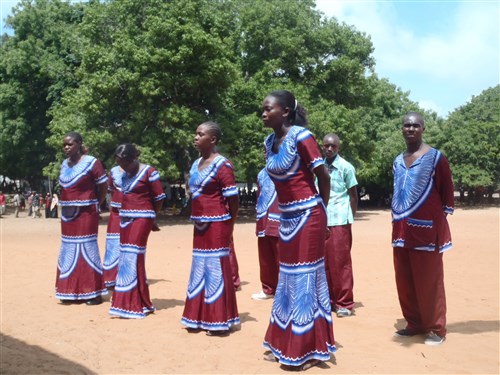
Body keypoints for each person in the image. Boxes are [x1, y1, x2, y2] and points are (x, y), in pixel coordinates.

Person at [261, 90, 335, 370]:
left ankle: (306, 349)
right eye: (263, 110)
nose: (264, 114)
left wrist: (323, 213)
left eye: (269, 109)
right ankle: (283, 339)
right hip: (287, 216)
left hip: (309, 215)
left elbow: (322, 176)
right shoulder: (269, 142)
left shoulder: (302, 137)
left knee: (305, 279)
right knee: (287, 279)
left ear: (286, 112)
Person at [391, 112, 454, 346]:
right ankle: (415, 323)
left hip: (427, 232)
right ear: (402, 129)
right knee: (405, 280)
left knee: (430, 281)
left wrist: (436, 222)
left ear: (423, 129)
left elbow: (447, 193)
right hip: (400, 231)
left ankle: (437, 328)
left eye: (415, 125)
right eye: (406, 125)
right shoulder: (398, 160)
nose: (410, 129)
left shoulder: (437, 158)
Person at [180, 121, 240, 336]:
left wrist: (229, 226)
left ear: (212, 139)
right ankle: (197, 316)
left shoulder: (223, 165)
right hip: (200, 224)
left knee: (215, 268)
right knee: (199, 267)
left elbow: (233, 200)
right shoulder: (196, 164)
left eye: (200, 134)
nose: (195, 137)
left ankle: (218, 319)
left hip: (217, 223)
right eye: (195, 134)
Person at [109, 144, 166, 319]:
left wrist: (152, 218)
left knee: (133, 256)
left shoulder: (149, 172)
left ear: (133, 158)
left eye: (124, 162)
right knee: (126, 256)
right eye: (119, 162)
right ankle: (136, 301)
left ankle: (133, 303)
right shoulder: (123, 174)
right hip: (125, 218)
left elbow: (159, 198)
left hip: (142, 217)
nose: (122, 166)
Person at [55, 131, 108, 305]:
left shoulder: (92, 162)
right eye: (64, 145)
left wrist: (96, 204)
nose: (66, 147)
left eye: (70, 144)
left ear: (79, 144)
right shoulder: (64, 164)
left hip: (86, 212)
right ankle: (69, 290)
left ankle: (93, 293)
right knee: (69, 249)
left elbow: (103, 186)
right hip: (68, 214)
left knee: (87, 248)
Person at [321, 133, 358, 318]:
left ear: (338, 148)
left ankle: (344, 303)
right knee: (324, 263)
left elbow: (353, 196)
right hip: (321, 221)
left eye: (333, 146)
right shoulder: (318, 167)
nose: (329, 149)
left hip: (340, 221)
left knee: (340, 263)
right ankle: (328, 301)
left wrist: (349, 218)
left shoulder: (346, 168)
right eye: (326, 146)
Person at [251, 168, 280, 300]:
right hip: (263, 219)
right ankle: (268, 289)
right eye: (263, 150)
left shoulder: (286, 169)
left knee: (282, 259)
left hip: (281, 219)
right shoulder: (262, 173)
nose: (265, 153)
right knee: (265, 259)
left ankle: (285, 291)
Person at [102, 165, 124, 288]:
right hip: (116, 212)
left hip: (133, 211)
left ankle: (126, 276)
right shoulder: (114, 171)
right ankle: (110, 278)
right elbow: (109, 189)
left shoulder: (141, 171)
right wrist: (109, 204)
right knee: (113, 244)